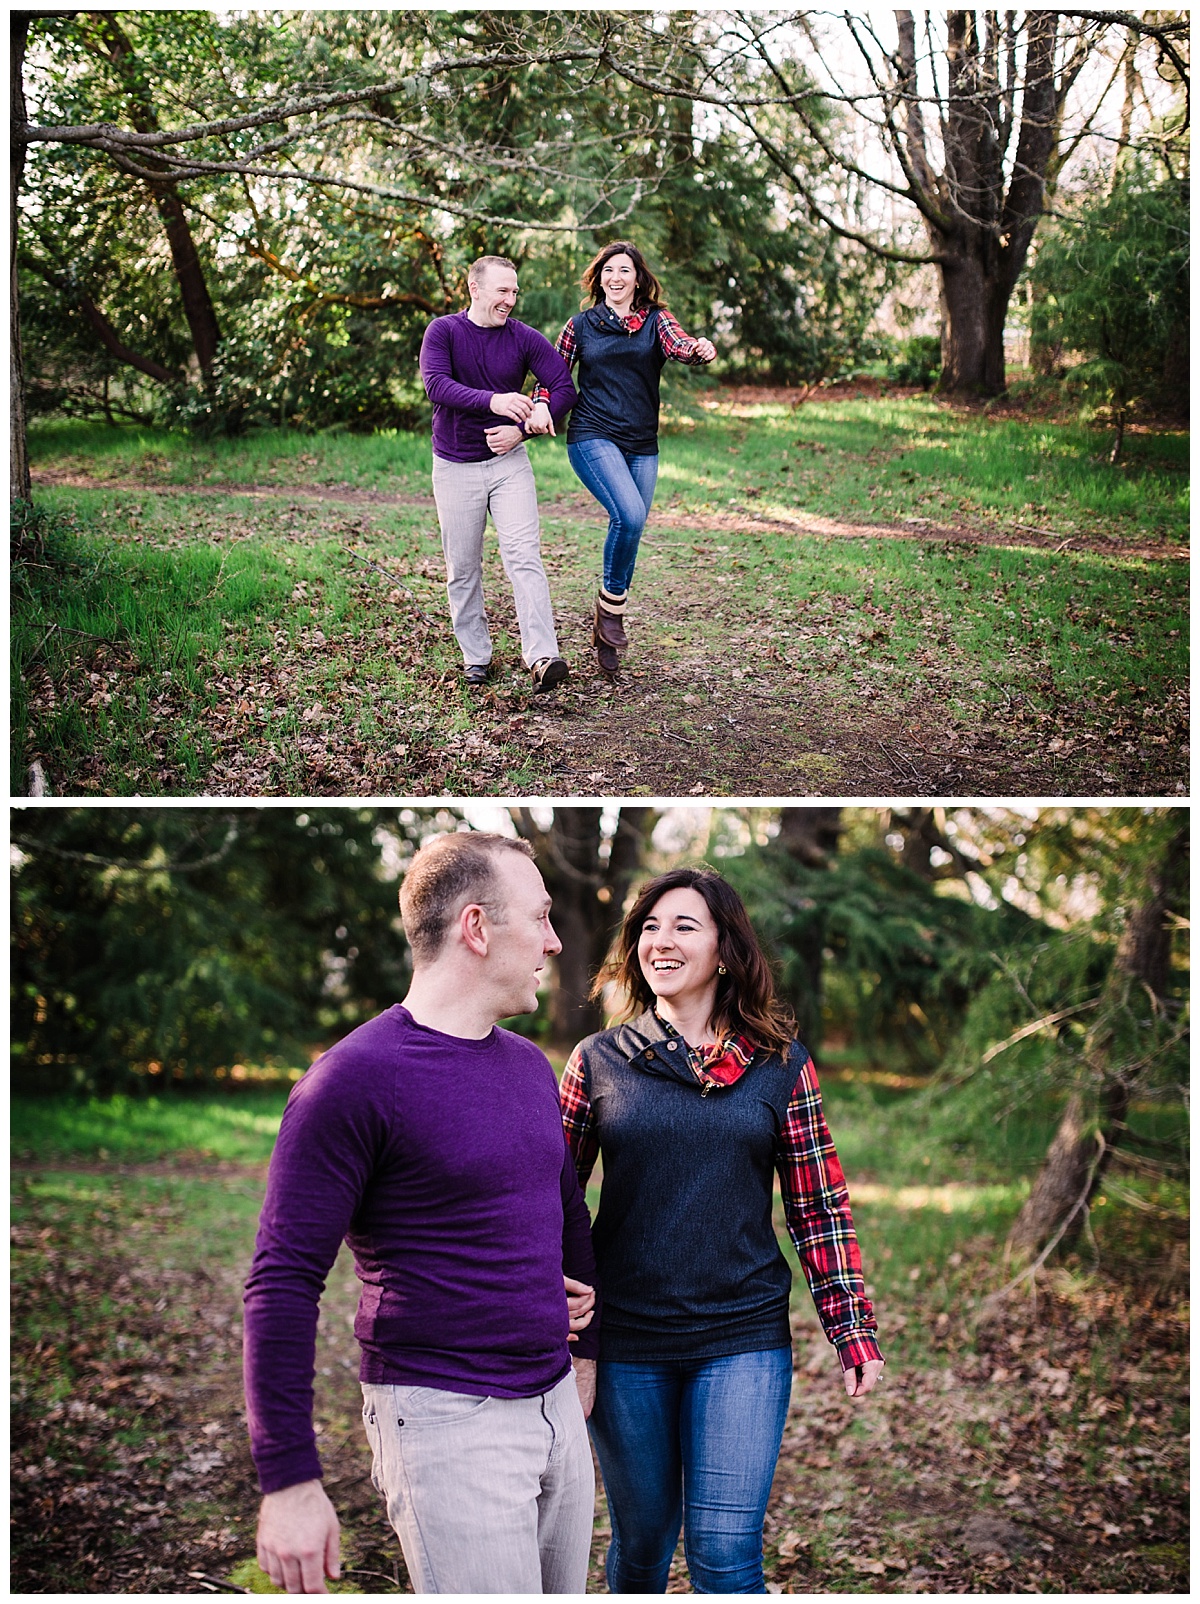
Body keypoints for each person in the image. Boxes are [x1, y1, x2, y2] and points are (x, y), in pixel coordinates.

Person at [244, 831, 599, 1595]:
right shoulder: (351, 1082)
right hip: (447, 1420)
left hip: (555, 1411)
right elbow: (281, 1281)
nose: (554, 938)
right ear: (476, 927)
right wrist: (288, 1479)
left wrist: (585, 1353)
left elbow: (563, 1204)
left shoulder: (527, 1065)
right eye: (538, 918)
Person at [560, 867, 884, 1594]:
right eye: (648, 927)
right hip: (630, 1343)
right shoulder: (599, 1060)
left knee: (724, 1553)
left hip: (742, 1337)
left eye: (683, 926)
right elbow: (552, 1200)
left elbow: (819, 1206)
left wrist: (851, 1328)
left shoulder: (780, 1066)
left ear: (725, 949)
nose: (660, 941)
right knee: (641, 1544)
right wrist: (566, 1325)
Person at [529, 241, 716, 677]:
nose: (616, 277)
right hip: (592, 435)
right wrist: (540, 404)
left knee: (631, 528)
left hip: (641, 442)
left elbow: (679, 343)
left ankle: (605, 615)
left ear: (638, 279)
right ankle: (612, 615)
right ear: (599, 278)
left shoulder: (655, 321)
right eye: (608, 270)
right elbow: (553, 374)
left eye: (625, 270)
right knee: (629, 515)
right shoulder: (580, 325)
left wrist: (699, 349)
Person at [419, 255, 578, 692]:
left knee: (525, 557)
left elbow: (564, 386)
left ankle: (542, 656)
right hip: (454, 465)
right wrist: (496, 401)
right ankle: (476, 656)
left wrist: (525, 426)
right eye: (502, 290)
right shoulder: (444, 331)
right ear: (475, 289)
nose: (510, 299)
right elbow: (436, 385)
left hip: (509, 467)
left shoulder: (522, 337)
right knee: (463, 566)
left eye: (514, 291)